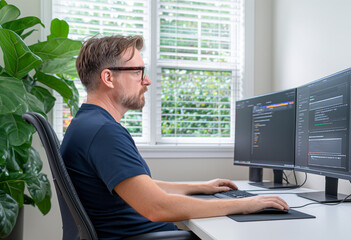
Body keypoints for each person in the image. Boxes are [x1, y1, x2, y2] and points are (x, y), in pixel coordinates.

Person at [60, 35, 289, 239]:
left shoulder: (88, 124)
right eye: (138, 71)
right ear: (108, 78)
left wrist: (198, 187)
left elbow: (138, 187)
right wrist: (245, 204)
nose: (146, 81)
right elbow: (157, 207)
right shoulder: (104, 132)